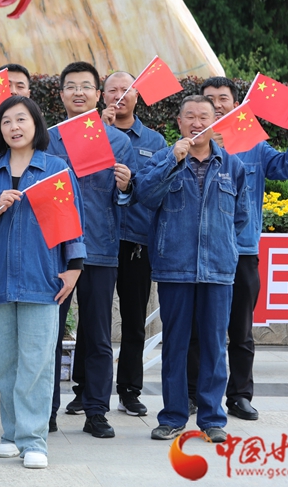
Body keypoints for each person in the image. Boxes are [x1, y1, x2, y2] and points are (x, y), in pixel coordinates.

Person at [186, 77, 288, 420]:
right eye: (209, 98)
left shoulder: (253, 144)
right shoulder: (189, 144)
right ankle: (191, 394)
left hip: (241, 251)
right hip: (199, 252)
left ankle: (240, 396)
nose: (216, 105)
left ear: (235, 103)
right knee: (196, 328)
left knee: (240, 330)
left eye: (223, 98)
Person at [0, 95, 85, 469]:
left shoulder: (55, 168)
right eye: (6, 121)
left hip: (43, 276)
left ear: (36, 124)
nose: (14, 127)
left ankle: (34, 440)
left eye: (21, 119)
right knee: (5, 364)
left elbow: (72, 220)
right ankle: (10, 434)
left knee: (36, 362)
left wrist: (74, 267)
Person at [137, 95, 250, 443]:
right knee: (175, 345)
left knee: (215, 346)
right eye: (190, 117)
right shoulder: (164, 158)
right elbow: (145, 196)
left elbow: (241, 218)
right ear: (179, 122)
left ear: (215, 122)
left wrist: (221, 247)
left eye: (204, 116)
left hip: (218, 270)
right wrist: (172, 160)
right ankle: (172, 416)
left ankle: (212, 418)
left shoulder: (233, 166)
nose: (197, 123)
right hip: (175, 267)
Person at [48, 61, 135, 438]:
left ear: (98, 95)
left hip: (99, 249)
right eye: (71, 86)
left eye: (86, 86)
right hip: (54, 251)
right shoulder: (46, 139)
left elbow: (128, 200)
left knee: (98, 335)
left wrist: (126, 187)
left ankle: (97, 411)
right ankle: (46, 410)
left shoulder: (118, 142)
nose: (78, 92)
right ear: (61, 94)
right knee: (49, 335)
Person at [101, 71, 169, 417]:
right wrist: (101, 133)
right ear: (102, 96)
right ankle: (87, 390)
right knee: (95, 321)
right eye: (112, 89)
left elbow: (160, 187)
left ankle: (129, 390)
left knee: (133, 320)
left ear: (137, 97)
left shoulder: (155, 141)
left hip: (137, 241)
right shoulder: (91, 134)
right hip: (99, 240)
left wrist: (134, 184)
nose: (119, 95)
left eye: (126, 89)